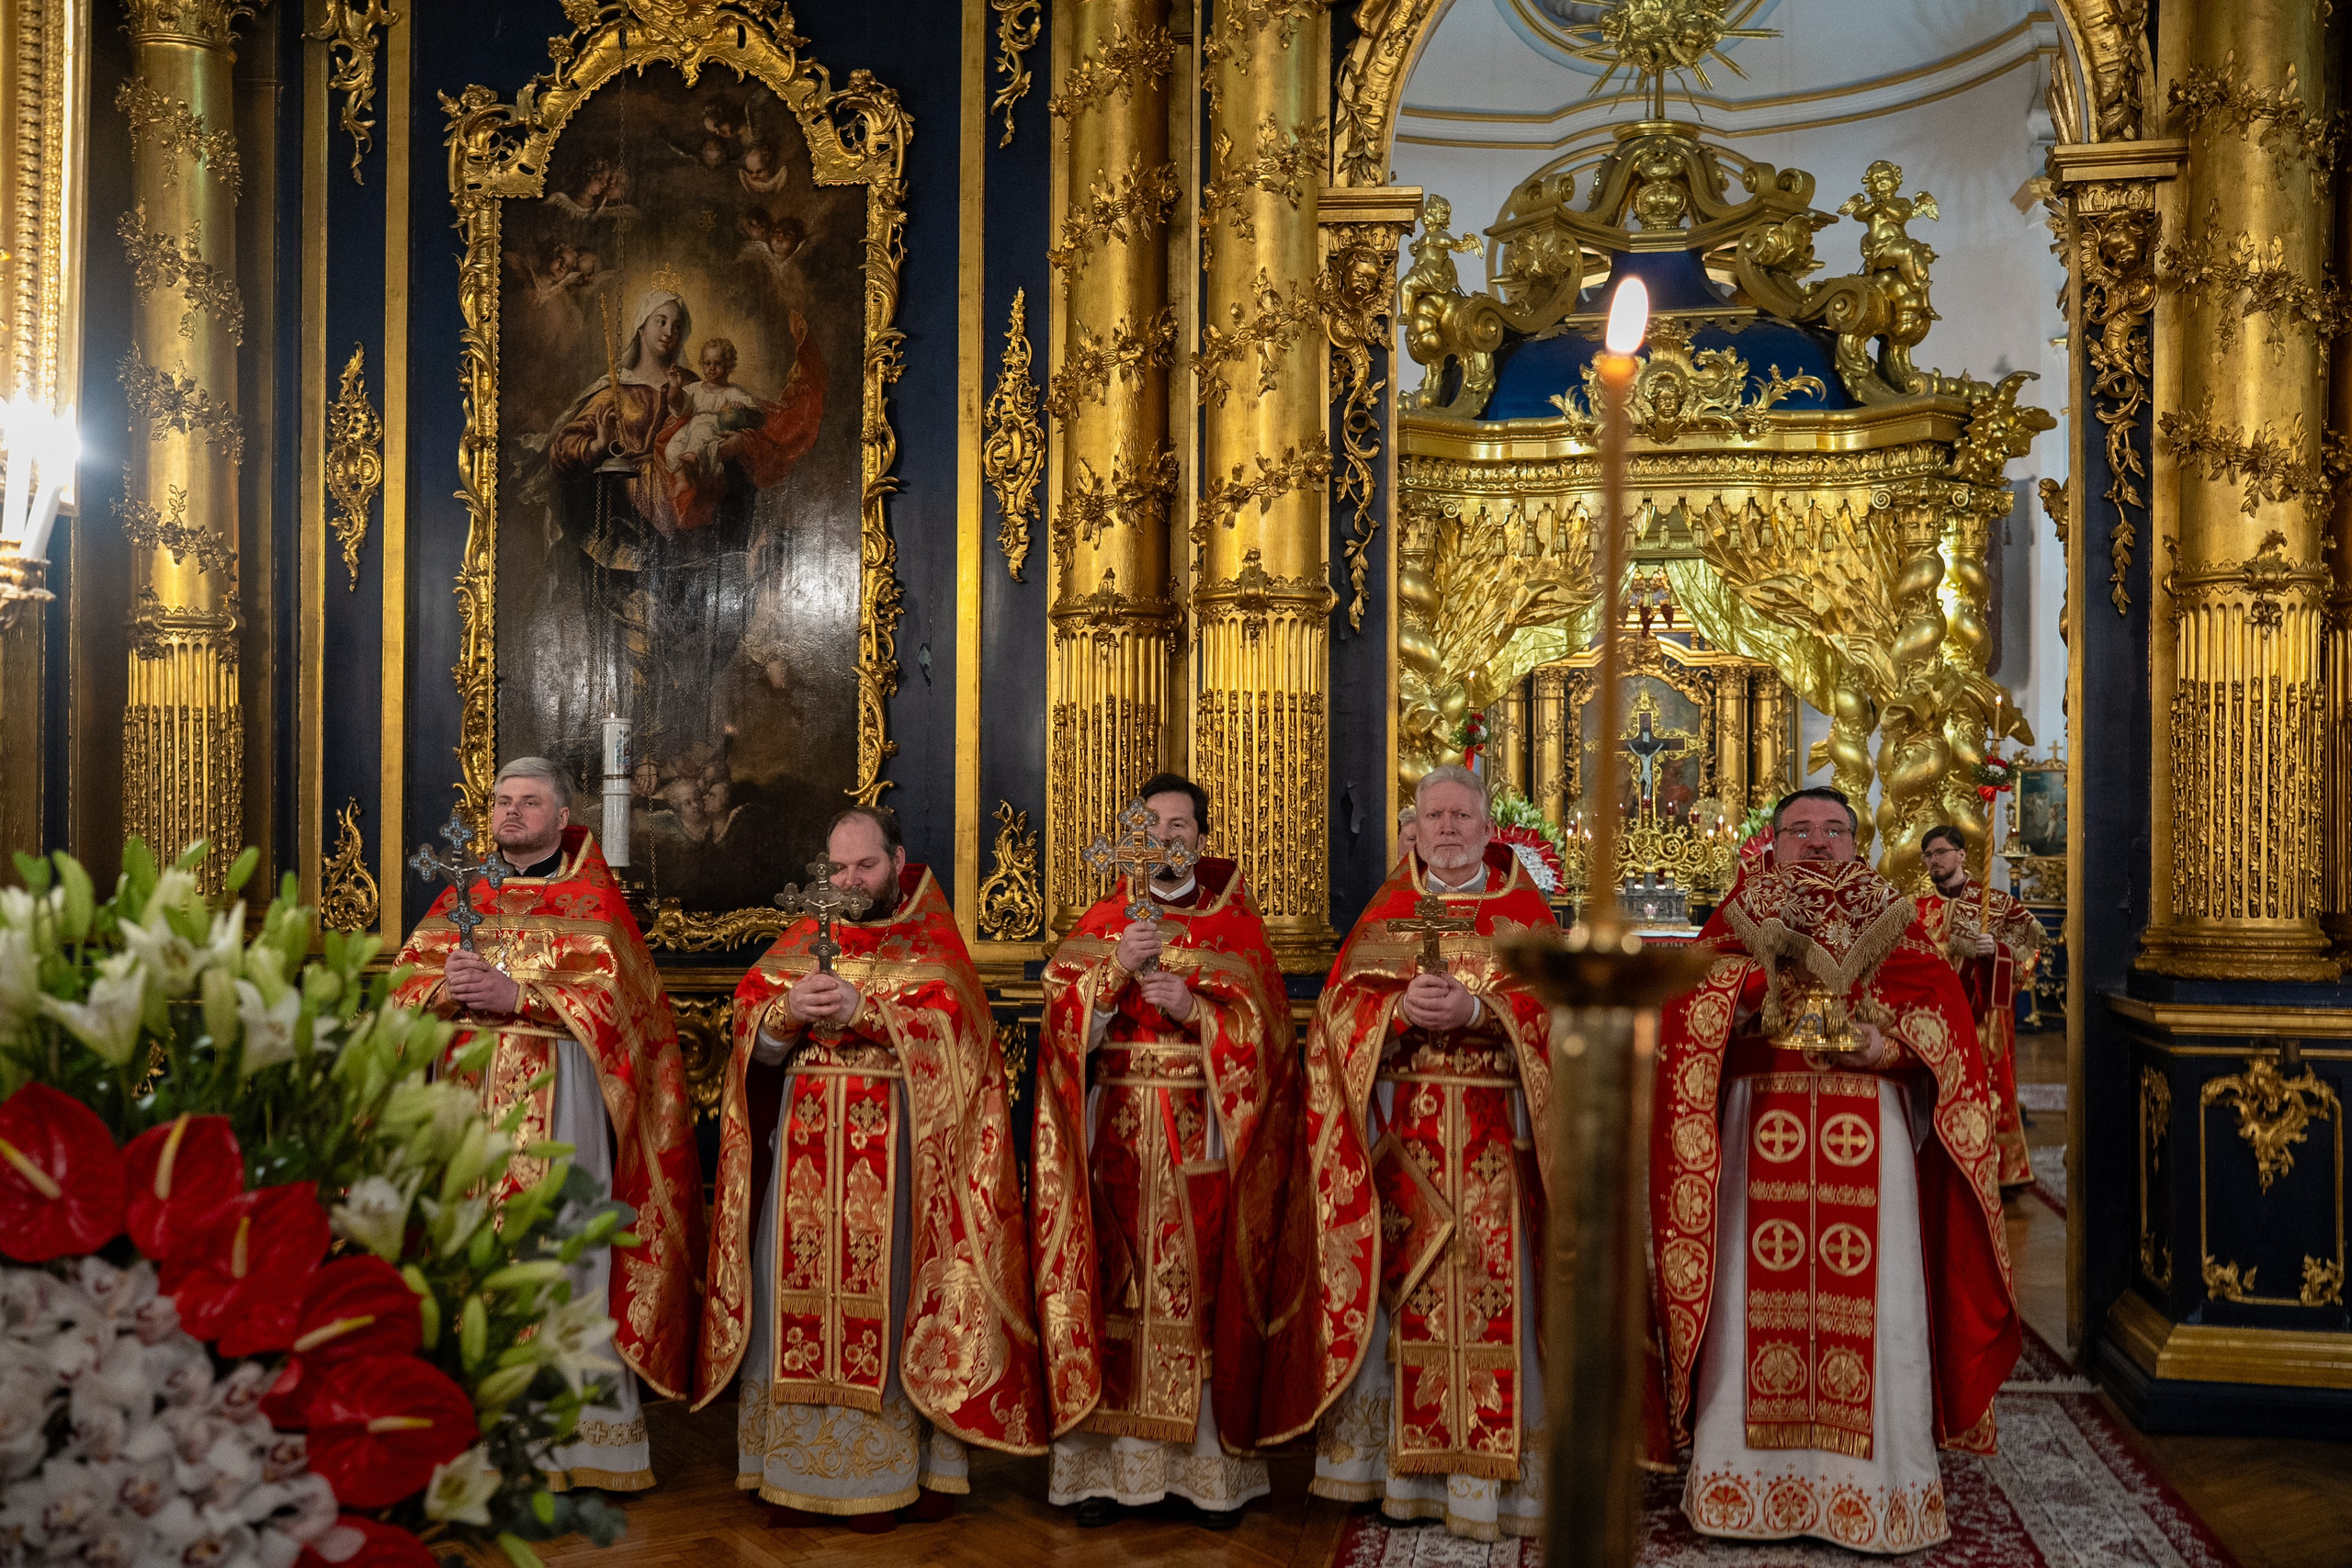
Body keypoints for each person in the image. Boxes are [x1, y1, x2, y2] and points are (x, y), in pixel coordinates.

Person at [1651, 787, 2018, 1553]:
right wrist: (1751, 993)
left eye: (1834, 830)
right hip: (1763, 1122)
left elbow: (1942, 1016)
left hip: (1870, 1132)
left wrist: (1884, 1047)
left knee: (1878, 1304)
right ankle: (1739, 1484)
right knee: (1752, 1304)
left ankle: (1877, 1492)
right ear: (1773, 841)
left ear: (1857, 842)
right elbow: (1688, 1006)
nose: (1817, 842)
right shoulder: (1737, 915)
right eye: (1800, 829)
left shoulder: (1897, 917)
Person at [696, 807, 1046, 1530]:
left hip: (896, 1161)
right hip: (800, 1153)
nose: (850, 882)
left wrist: (870, 1011)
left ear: (898, 859)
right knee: (790, 1296)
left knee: (883, 1301)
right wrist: (784, 1014)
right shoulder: (800, 939)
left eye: (866, 865)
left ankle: (885, 1476)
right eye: (839, 868)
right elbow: (749, 1038)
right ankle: (790, 1471)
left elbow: (963, 1045)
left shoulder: (932, 943)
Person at [389, 757, 705, 1492]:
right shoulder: (460, 893)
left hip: (563, 1114)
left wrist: (519, 995)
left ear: (563, 816)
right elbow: (404, 989)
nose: (511, 813)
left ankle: (575, 1444)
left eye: (528, 802)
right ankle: (470, 1435)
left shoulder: (593, 901)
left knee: (565, 1259)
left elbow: (626, 1012)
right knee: (466, 1263)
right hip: (462, 1116)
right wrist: (441, 988)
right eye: (502, 800)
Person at [1261, 764, 1559, 1542]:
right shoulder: (1387, 910)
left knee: (1496, 1297)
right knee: (1401, 1290)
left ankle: (1493, 1486)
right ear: (1416, 830)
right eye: (1437, 816)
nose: (1450, 828)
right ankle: (1393, 1474)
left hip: (1497, 1138)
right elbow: (1335, 1018)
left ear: (1490, 829)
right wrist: (1391, 1012)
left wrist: (1483, 1007)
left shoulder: (1524, 913)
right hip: (1403, 1143)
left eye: (1464, 815)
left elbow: (1561, 1022)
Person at [1031, 774, 1299, 1530]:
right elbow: (1058, 1035)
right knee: (1112, 1288)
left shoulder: (1235, 926)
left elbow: (1272, 1044)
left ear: (1202, 840)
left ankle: (1206, 1478)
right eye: (1150, 823)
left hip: (1199, 1138)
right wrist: (1115, 971)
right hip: (1112, 1134)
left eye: (1179, 824)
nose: (1165, 836)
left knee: (1198, 1297)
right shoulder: (1104, 918)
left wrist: (1202, 1013)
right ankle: (1105, 1476)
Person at [1917, 824, 2043, 1189]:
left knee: (1986, 1089)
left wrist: (1997, 953)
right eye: (1928, 855)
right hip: (1935, 1019)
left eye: (1941, 852)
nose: (1934, 860)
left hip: (1984, 1019)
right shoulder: (1917, 910)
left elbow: (2032, 947)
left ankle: (1997, 1171)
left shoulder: (1996, 904)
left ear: (1961, 855)